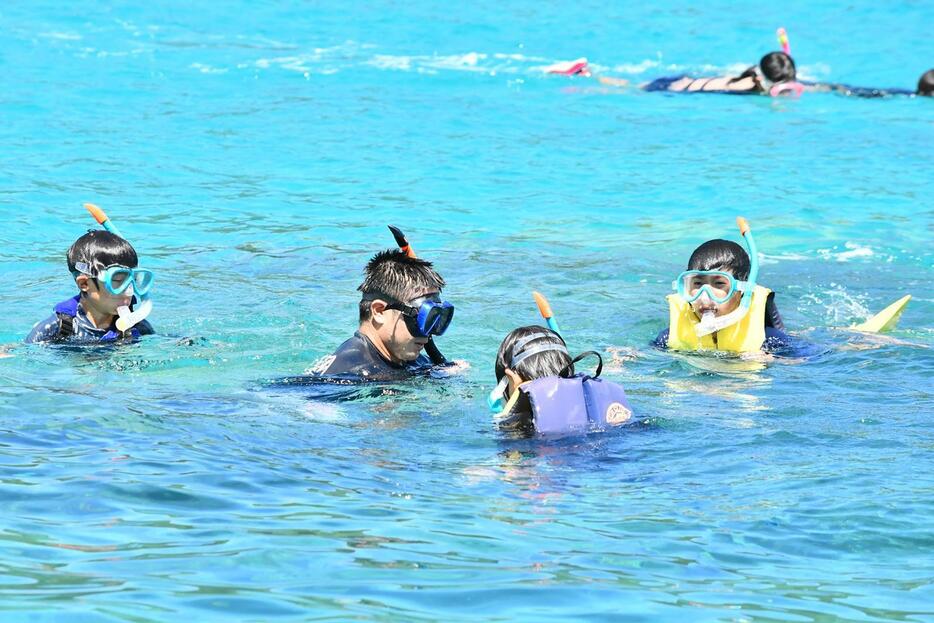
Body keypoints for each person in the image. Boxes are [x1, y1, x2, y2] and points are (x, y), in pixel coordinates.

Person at [306, 247, 454, 381]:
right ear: (379, 311)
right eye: (422, 318)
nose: (430, 332)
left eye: (435, 318)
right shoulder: (350, 372)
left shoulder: (410, 360)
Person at [654, 218, 791, 354]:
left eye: (719, 284)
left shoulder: (769, 340)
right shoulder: (669, 337)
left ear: (741, 291)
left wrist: (772, 360)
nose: (704, 297)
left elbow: (803, 360)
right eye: (697, 283)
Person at [490, 326, 634, 435]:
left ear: (510, 377)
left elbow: (511, 470)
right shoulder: (592, 399)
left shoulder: (523, 427)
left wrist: (506, 416)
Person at [26, 230, 155, 344]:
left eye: (133, 280)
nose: (129, 291)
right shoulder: (60, 328)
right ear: (84, 284)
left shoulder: (138, 328)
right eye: (118, 280)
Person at [599, 51, 805, 97]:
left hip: (686, 81)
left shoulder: (752, 76)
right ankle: (587, 75)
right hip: (676, 88)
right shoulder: (748, 86)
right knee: (630, 87)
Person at [808, 68, 934, 98]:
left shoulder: (910, 94)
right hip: (870, 94)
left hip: (878, 92)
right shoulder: (909, 97)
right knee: (844, 90)